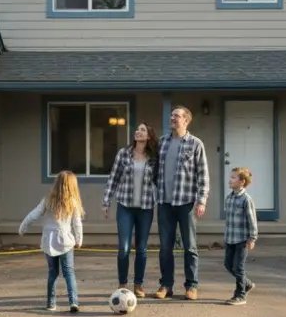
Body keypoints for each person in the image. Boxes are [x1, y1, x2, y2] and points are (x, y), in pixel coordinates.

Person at [154, 106, 210, 301]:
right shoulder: (162, 143)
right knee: (165, 247)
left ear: (186, 120)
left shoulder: (195, 144)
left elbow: (203, 176)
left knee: (190, 246)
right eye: (171, 115)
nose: (173, 118)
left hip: (186, 203)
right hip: (164, 203)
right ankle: (166, 285)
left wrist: (201, 201)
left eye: (177, 116)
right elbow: (154, 172)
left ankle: (191, 285)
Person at [102, 122, 159, 298]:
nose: (138, 132)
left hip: (145, 207)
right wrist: (106, 201)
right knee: (124, 248)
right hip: (125, 206)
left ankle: (138, 285)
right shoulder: (123, 154)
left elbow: (159, 181)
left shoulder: (154, 157)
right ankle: (122, 283)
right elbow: (114, 177)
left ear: (149, 136)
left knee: (141, 248)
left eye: (142, 130)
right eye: (137, 129)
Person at [18, 170, 85, 313]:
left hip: (49, 241)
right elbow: (77, 223)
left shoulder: (48, 200)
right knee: (69, 273)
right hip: (65, 241)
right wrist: (79, 239)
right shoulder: (73, 202)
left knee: (52, 272)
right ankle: (73, 302)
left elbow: (33, 215)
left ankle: (51, 303)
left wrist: (23, 227)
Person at [223, 167, 258, 306]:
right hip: (230, 238)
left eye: (233, 178)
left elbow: (252, 220)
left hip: (242, 239)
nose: (230, 180)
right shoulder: (229, 198)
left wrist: (252, 238)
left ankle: (240, 295)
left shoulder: (246, 199)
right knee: (228, 264)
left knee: (238, 267)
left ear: (242, 181)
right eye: (230, 177)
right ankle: (247, 284)